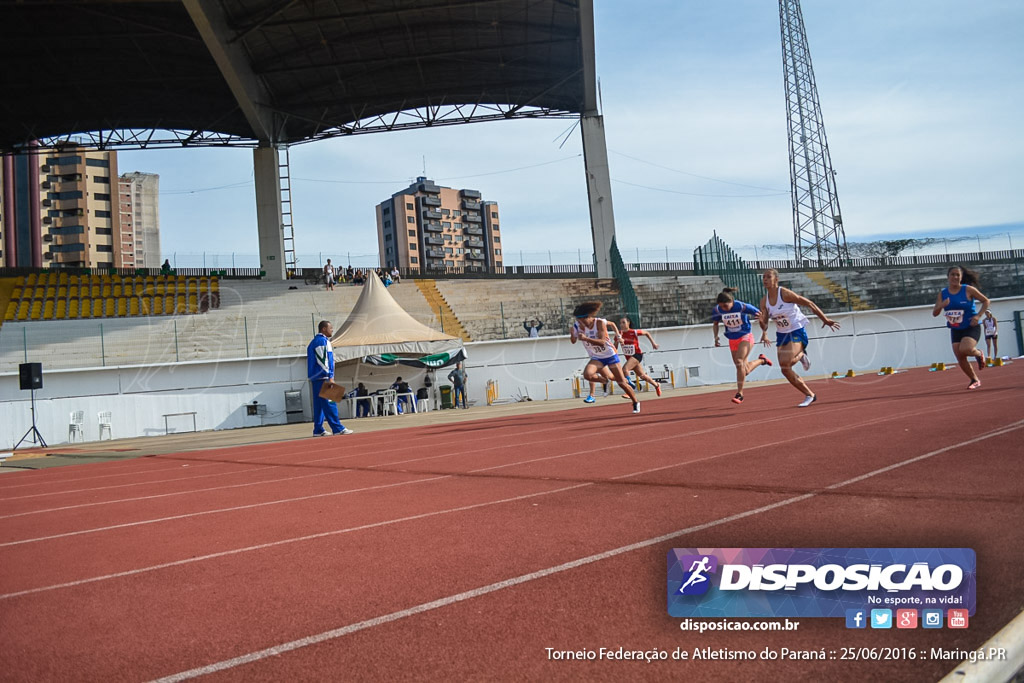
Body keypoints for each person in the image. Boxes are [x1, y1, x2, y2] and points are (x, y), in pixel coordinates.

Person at [758, 269, 840, 407]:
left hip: (796, 330)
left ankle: (801, 353)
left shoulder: (784, 293)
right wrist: (762, 324)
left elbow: (809, 303)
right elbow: (765, 324)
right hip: (782, 334)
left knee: (786, 361)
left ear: (776, 279)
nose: (765, 279)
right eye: (763, 277)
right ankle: (810, 395)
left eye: (768, 277)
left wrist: (824, 319)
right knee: (784, 368)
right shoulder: (764, 301)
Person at [570, 301, 640, 414]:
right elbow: (573, 341)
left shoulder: (599, 323)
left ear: (588, 317)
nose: (582, 324)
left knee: (621, 383)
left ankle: (635, 401)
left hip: (610, 355)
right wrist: (573, 335)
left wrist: (586, 339)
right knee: (587, 375)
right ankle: (604, 381)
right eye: (579, 322)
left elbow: (602, 342)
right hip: (597, 357)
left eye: (583, 321)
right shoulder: (577, 326)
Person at [933, 265, 990, 390]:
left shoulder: (968, 290)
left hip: (970, 326)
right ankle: (974, 379)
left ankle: (978, 353)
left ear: (961, 277)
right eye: (952, 274)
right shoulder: (943, 293)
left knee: (965, 349)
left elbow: (986, 301)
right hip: (955, 328)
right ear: (948, 277)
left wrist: (978, 316)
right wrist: (942, 305)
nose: (955, 277)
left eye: (957, 275)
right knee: (959, 355)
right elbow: (935, 313)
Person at [711, 288, 771, 404]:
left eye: (726, 306)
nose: (724, 309)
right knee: (744, 369)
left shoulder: (742, 307)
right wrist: (716, 337)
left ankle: (740, 394)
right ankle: (762, 360)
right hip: (732, 339)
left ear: (732, 302)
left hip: (746, 336)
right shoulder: (717, 310)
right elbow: (715, 323)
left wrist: (765, 334)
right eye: (721, 306)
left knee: (739, 361)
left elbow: (762, 316)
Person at [306, 320, 353, 435]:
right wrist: (329, 376)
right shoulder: (322, 341)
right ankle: (337, 428)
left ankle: (318, 429)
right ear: (323, 329)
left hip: (316, 378)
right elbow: (323, 360)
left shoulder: (314, 342)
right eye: (330, 328)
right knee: (330, 403)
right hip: (323, 377)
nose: (332, 330)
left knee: (319, 405)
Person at [616, 316, 663, 397]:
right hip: (629, 358)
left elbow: (647, 333)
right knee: (642, 376)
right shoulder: (619, 334)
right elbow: (615, 347)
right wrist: (618, 341)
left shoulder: (633, 332)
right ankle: (656, 385)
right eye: (620, 323)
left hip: (637, 355)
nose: (621, 325)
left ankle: (629, 389)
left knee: (625, 369)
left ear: (628, 323)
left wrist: (653, 343)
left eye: (623, 322)